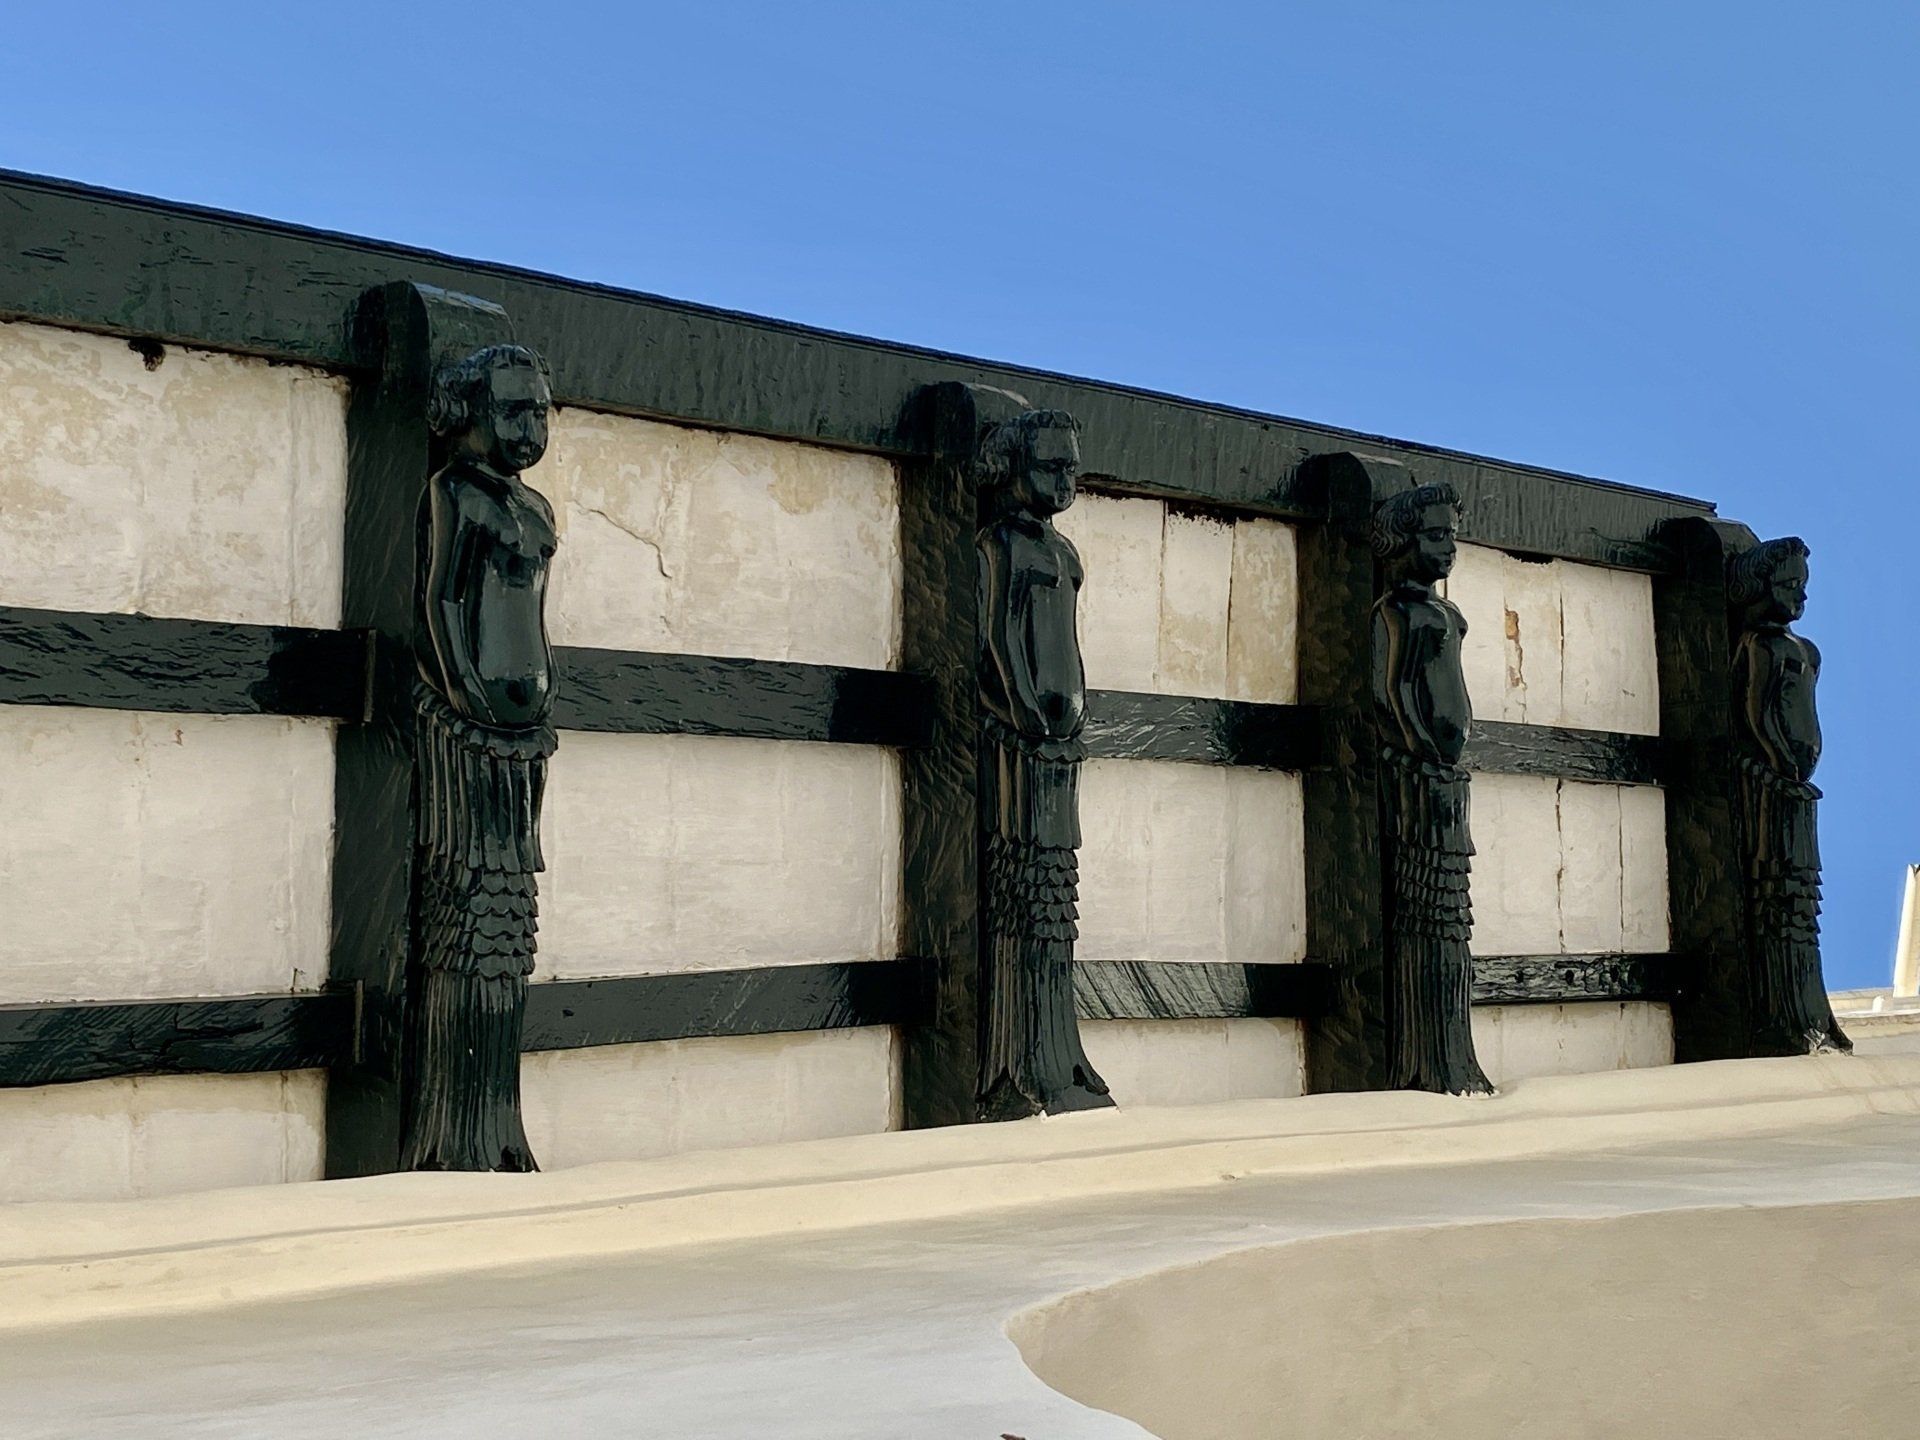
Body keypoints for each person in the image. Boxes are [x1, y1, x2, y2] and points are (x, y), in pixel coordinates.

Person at [405, 343, 560, 1171]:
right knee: (469, 909)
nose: (529, 429)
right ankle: (456, 1126)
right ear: (468, 413)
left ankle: (500, 1122)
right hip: (469, 731)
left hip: (524, 732)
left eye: (540, 412)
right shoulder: (455, 492)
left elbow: (536, 610)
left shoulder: (536, 507)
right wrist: (466, 692)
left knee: (510, 910)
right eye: (513, 411)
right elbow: (441, 599)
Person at [974, 409, 1112, 1119]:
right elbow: (999, 635)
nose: (1065, 481)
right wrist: (1026, 710)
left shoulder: (1066, 553)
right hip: (1021, 742)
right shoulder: (1001, 543)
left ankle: (1059, 1050)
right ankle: (1019, 1057)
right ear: (1012, 468)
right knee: (1024, 886)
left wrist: (1073, 711)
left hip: (1062, 744)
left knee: (1058, 886)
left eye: (1072, 468)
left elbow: (1070, 643)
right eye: (1051, 466)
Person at [1371, 481, 1492, 1094]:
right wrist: (1420, 746)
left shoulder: (1449, 613)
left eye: (1453, 536)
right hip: (1421, 775)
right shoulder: (1401, 610)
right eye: (1436, 535)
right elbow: (1393, 687)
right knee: (1428, 903)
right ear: (1402, 540)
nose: (1449, 548)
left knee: (1451, 906)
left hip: (1447, 775)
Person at [1728, 537, 1849, 1054]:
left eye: (1803, 586)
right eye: (1788, 585)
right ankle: (1783, 1006)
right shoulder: (1760, 646)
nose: (1800, 597)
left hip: (1798, 783)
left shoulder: (1807, 651)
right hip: (1773, 781)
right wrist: (1778, 764)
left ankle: (1807, 1003)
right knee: (1777, 884)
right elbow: (1756, 712)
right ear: (1760, 587)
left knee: (1802, 891)